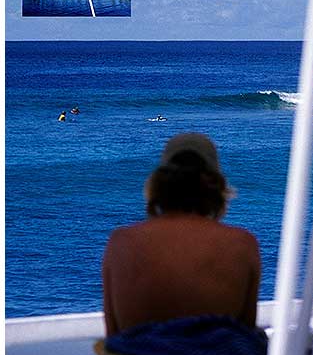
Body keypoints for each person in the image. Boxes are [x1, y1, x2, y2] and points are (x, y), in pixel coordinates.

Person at [101, 133, 260, 336]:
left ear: (158, 184)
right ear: (216, 186)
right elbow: (245, 333)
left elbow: (113, 335)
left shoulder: (122, 242)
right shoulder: (242, 244)